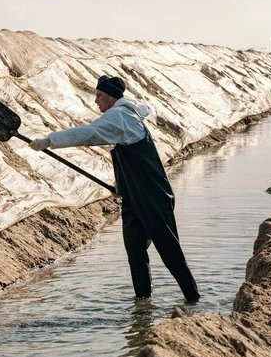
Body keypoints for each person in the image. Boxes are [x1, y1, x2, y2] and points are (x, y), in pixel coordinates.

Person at [29, 75, 200, 303]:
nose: (96, 101)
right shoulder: (124, 116)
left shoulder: (121, 116)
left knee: (169, 251)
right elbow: (129, 159)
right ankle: (143, 304)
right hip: (134, 198)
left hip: (153, 197)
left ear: (111, 97)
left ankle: (193, 299)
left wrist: (49, 141)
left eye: (99, 95)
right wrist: (122, 184)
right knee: (135, 252)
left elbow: (89, 133)